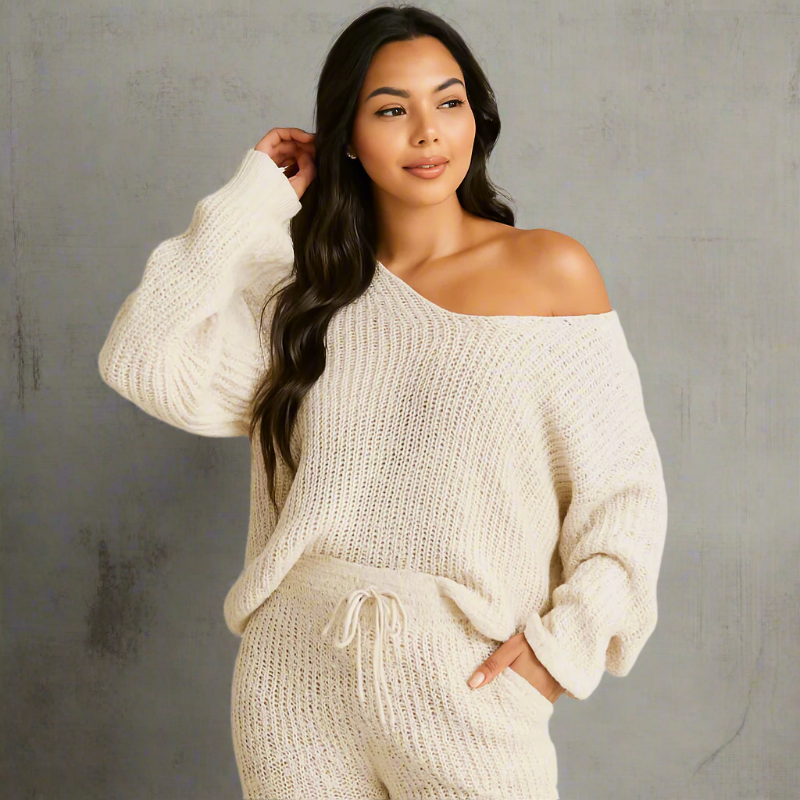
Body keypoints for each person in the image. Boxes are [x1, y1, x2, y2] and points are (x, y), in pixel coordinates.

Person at [98, 5, 668, 799]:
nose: (428, 132)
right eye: (392, 110)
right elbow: (141, 358)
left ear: (477, 116)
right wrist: (250, 199)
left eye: (449, 101)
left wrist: (559, 651)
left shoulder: (550, 271)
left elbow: (625, 502)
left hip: (462, 684)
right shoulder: (305, 293)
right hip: (294, 679)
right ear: (350, 138)